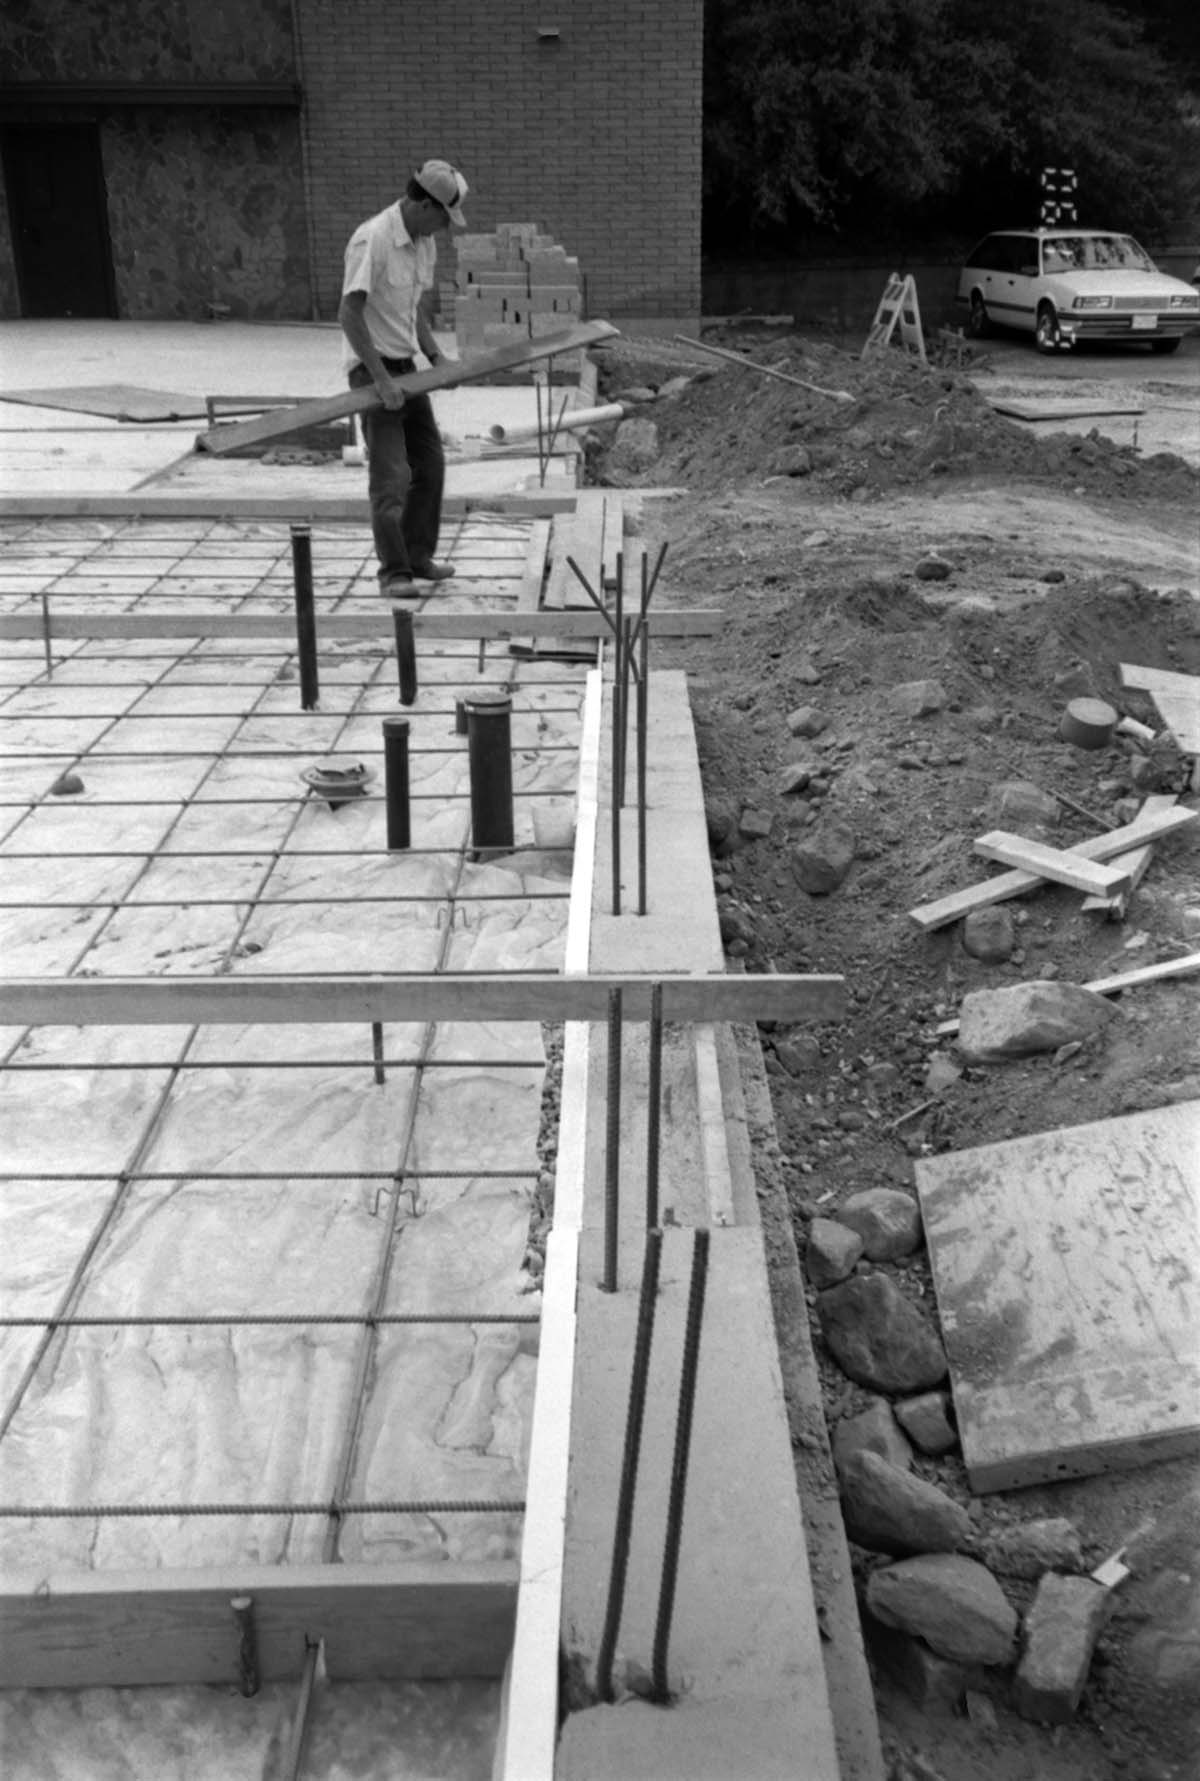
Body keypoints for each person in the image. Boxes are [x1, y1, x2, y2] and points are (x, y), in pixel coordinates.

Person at [338, 159, 469, 597]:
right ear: (423, 204)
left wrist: (436, 358)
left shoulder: (422, 242)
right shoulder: (372, 238)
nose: (444, 229)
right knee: (391, 476)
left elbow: (412, 312)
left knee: (429, 465)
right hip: (371, 369)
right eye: (442, 218)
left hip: (405, 369)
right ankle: (393, 574)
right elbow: (349, 314)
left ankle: (417, 557)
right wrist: (380, 381)